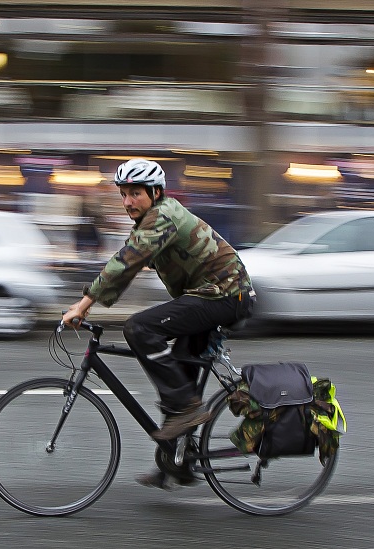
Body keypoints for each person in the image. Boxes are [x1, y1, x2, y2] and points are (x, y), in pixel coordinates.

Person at [60, 158, 255, 491]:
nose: (127, 202)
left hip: (225, 294)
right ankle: (175, 464)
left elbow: (125, 261)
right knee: (179, 372)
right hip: (208, 295)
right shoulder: (151, 220)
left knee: (139, 328)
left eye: (135, 193)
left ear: (155, 192)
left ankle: (186, 409)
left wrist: (83, 304)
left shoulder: (164, 216)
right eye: (123, 194)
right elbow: (129, 267)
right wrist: (93, 305)